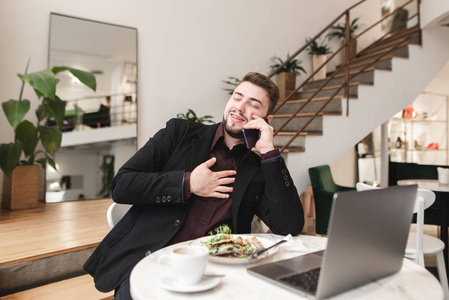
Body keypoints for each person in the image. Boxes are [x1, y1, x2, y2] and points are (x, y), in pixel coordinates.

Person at [83, 72, 304, 299]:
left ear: (267, 119)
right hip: (150, 264)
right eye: (237, 97)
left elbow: (289, 225)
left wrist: (269, 151)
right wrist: (188, 183)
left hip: (217, 276)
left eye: (253, 104)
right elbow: (122, 185)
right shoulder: (179, 133)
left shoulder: (258, 168)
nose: (240, 107)